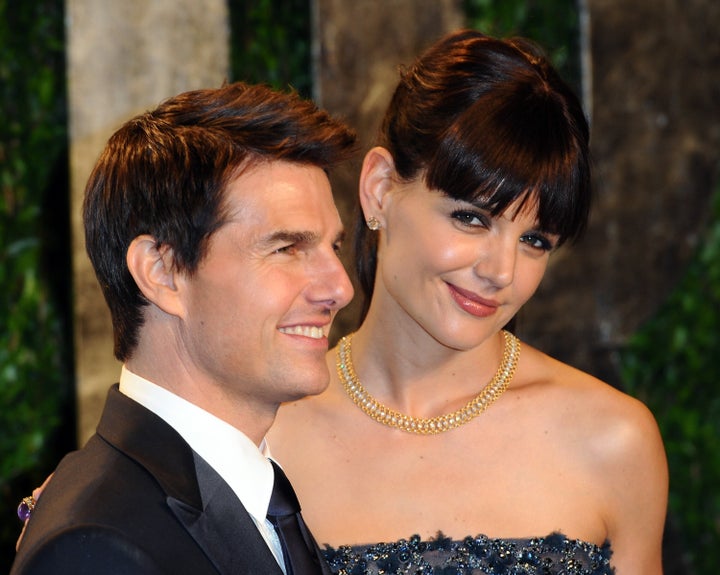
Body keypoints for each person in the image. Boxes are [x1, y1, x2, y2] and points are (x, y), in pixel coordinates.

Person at [268, 30, 668, 574]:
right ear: (381, 188)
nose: (500, 272)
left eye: (535, 241)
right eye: (471, 218)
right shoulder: (267, 437)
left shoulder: (613, 440)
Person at [11, 82, 356, 575]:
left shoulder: (253, 491)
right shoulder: (97, 547)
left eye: (333, 248)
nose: (338, 288)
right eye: (287, 249)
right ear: (162, 272)